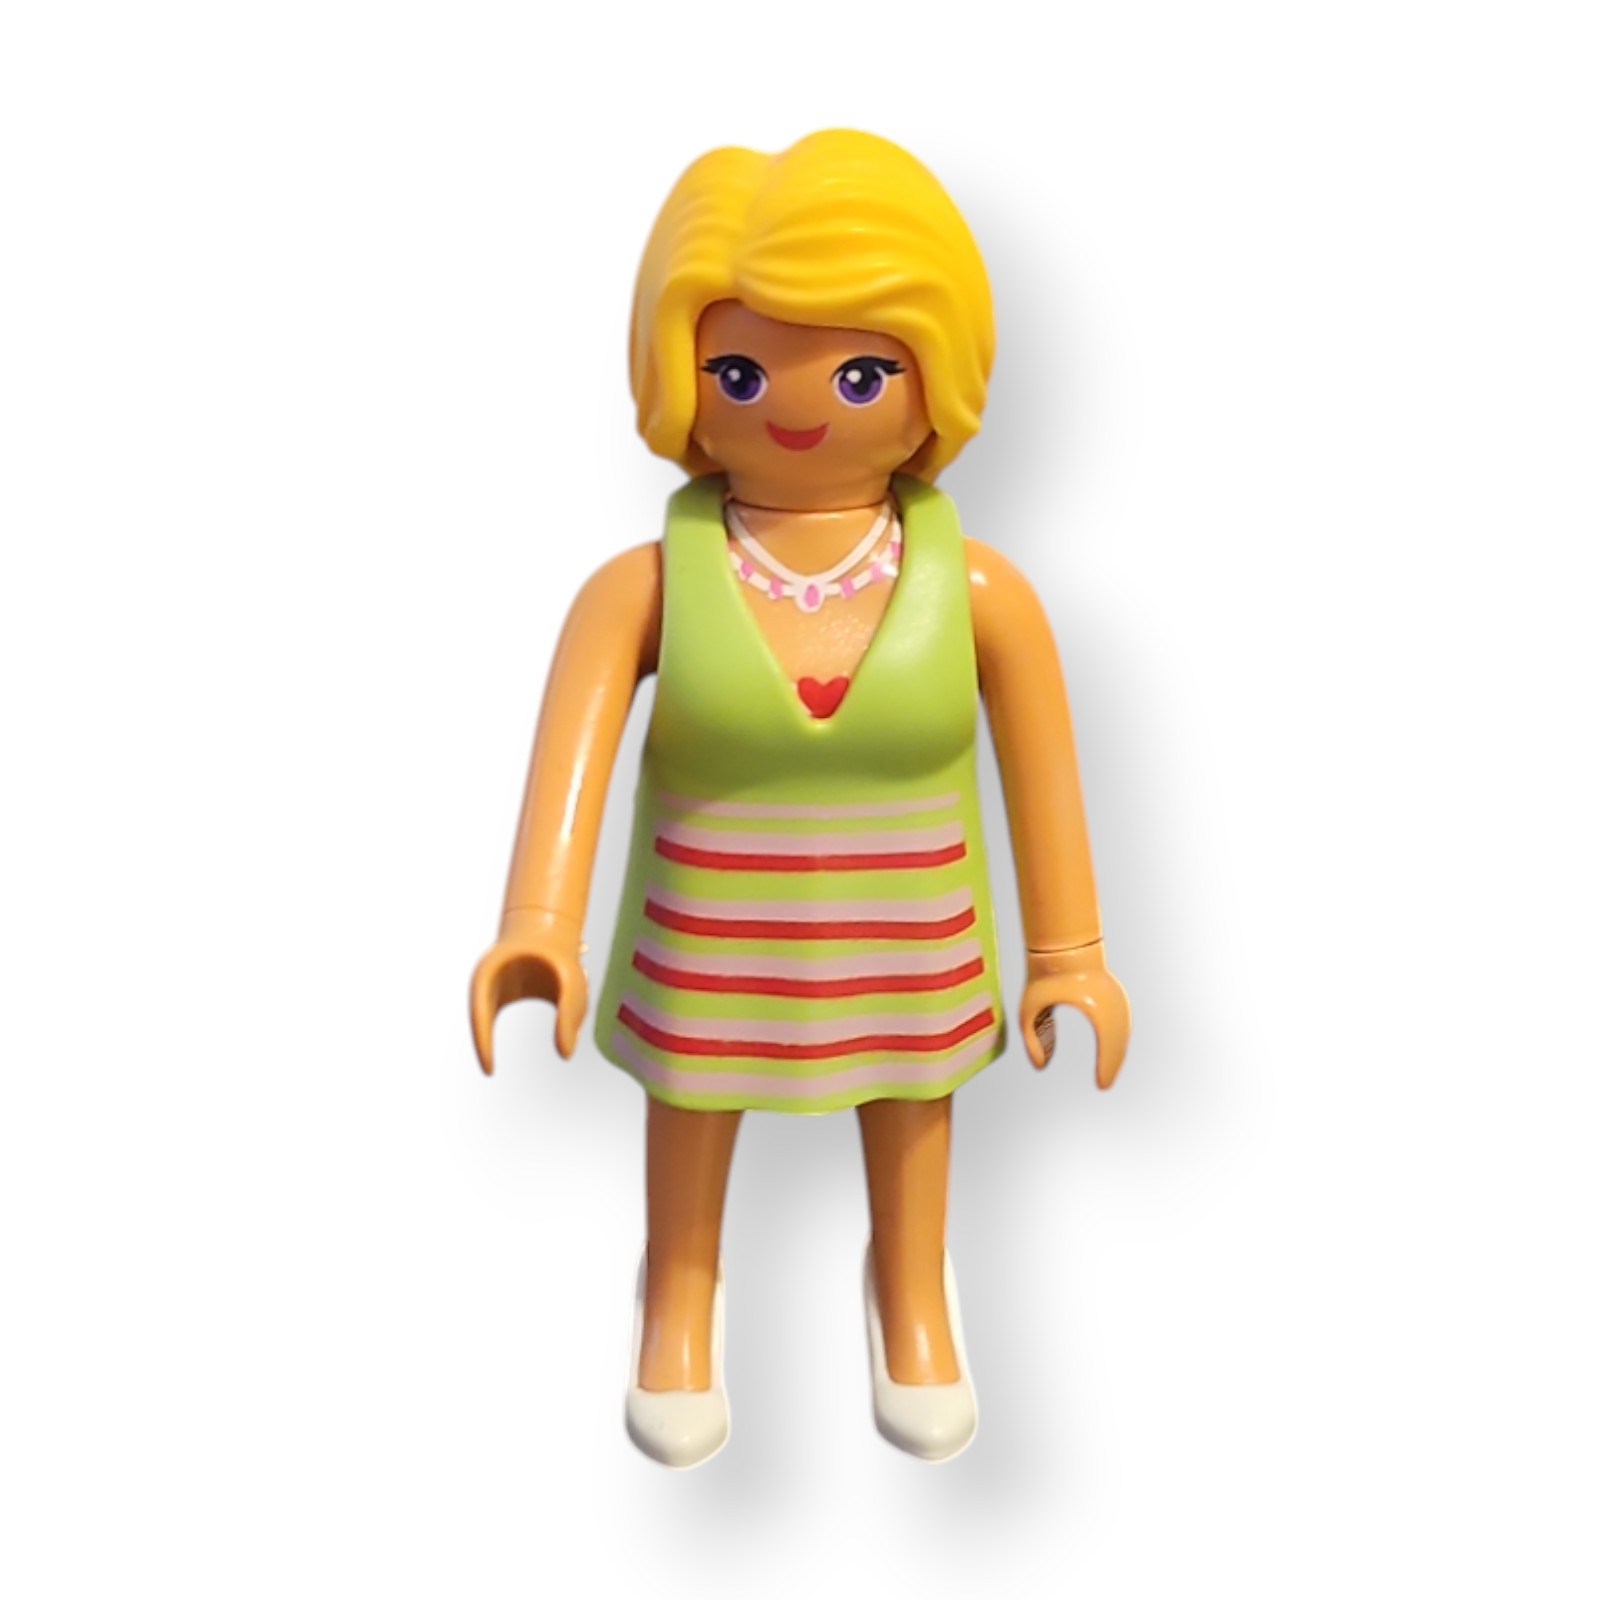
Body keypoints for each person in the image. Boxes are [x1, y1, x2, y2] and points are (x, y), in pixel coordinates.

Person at [469, 129, 1130, 1468]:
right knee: (692, 1100)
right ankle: (679, 1295)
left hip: (911, 934)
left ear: (935, 379)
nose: (798, 406)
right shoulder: (643, 587)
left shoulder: (984, 593)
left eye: (861, 371)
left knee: (913, 1098)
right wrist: (538, 928)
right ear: (679, 381)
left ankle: (913, 1293)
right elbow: (567, 763)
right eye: (740, 370)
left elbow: (1045, 779)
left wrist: (1071, 957)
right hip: (709, 930)